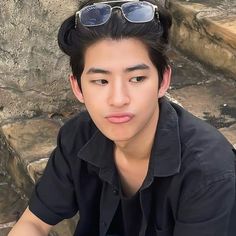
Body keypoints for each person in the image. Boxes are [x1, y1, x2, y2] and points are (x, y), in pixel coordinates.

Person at [9, 0, 236, 235]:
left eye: (137, 78)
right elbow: (32, 223)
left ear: (163, 81)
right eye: (101, 81)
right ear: (78, 88)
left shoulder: (208, 172)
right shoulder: (78, 137)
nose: (118, 99)